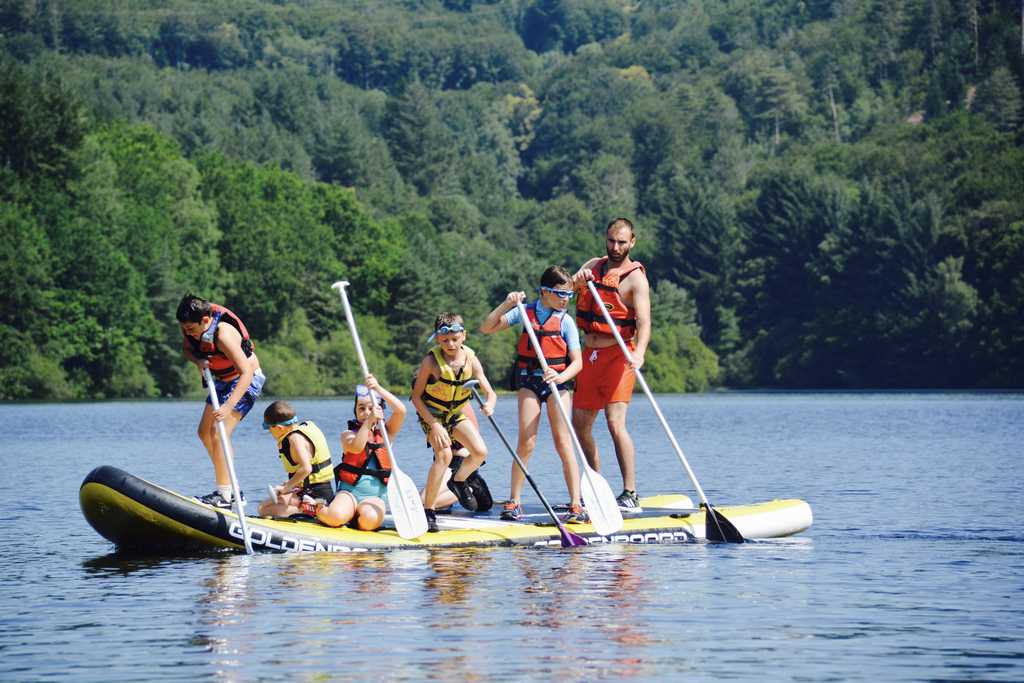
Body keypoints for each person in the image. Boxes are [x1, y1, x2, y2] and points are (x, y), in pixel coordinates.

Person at [479, 266, 586, 523]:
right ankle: (514, 501)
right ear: (544, 292)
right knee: (526, 442)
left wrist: (560, 377)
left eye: (569, 295)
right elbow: (487, 327)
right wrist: (507, 304)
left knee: (563, 443)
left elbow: (578, 363)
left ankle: (576, 504)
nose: (566, 299)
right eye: (561, 294)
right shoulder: (524, 312)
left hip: (558, 385)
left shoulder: (566, 321)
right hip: (529, 382)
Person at [570, 218, 651, 512]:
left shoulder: (636, 279)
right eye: (611, 241)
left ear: (632, 242)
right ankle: (596, 487)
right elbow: (565, 292)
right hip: (589, 356)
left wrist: (640, 353)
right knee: (580, 425)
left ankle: (630, 492)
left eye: (622, 242)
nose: (615, 247)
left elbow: (644, 323)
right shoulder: (593, 266)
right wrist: (576, 282)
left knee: (615, 424)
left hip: (619, 355)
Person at [411, 313, 497, 532]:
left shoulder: (471, 359)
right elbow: (416, 397)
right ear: (437, 339)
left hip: (454, 414)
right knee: (444, 455)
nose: (450, 344)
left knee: (480, 452)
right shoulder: (431, 362)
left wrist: (490, 404)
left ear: (463, 336)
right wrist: (434, 425)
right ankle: (429, 511)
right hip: (432, 415)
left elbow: (490, 391)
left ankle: (458, 481)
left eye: (454, 339)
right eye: (445, 340)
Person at [177, 294, 265, 508]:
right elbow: (187, 350)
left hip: (245, 381)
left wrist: (228, 406)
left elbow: (246, 372)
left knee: (219, 433)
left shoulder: (223, 334)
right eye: (184, 329)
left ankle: (224, 496)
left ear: (205, 320)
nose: (188, 332)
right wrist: (198, 360)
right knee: (204, 433)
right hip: (222, 382)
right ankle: (232, 488)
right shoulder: (189, 327)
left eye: (191, 329)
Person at [300, 374, 406, 532]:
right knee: (334, 517)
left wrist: (377, 388)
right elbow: (357, 447)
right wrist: (369, 422)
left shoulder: (387, 433)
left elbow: (401, 411)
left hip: (375, 498)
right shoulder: (347, 435)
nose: (366, 412)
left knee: (369, 520)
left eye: (371, 408)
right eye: (361, 408)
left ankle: (356, 519)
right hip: (349, 493)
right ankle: (316, 507)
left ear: (380, 410)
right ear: (355, 411)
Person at [257, 400, 336, 518]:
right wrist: (291, 484)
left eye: (269, 429)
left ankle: (310, 511)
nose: (270, 432)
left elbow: (306, 469)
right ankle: (307, 509)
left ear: (279, 428)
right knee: (265, 505)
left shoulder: (294, 439)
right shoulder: (305, 427)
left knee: (263, 509)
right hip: (317, 490)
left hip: (315, 494)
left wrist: (286, 488)